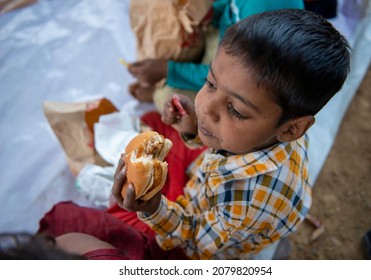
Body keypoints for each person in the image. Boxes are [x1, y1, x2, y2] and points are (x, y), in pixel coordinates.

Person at [109, 9, 351, 259]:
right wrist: (193, 128)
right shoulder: (268, 128)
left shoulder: (248, 203)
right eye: (211, 83)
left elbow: (194, 243)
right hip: (203, 185)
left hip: (205, 242)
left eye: (235, 110)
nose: (205, 108)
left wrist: (153, 208)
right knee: (153, 124)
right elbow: (222, 135)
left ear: (291, 129)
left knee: (84, 223)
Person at [127, 0, 305, 111]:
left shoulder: (261, 8)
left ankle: (157, 93)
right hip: (235, 42)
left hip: (247, 76)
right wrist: (213, 13)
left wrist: (167, 69)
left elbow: (230, 77)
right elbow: (231, 7)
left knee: (168, 98)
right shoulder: (252, 12)